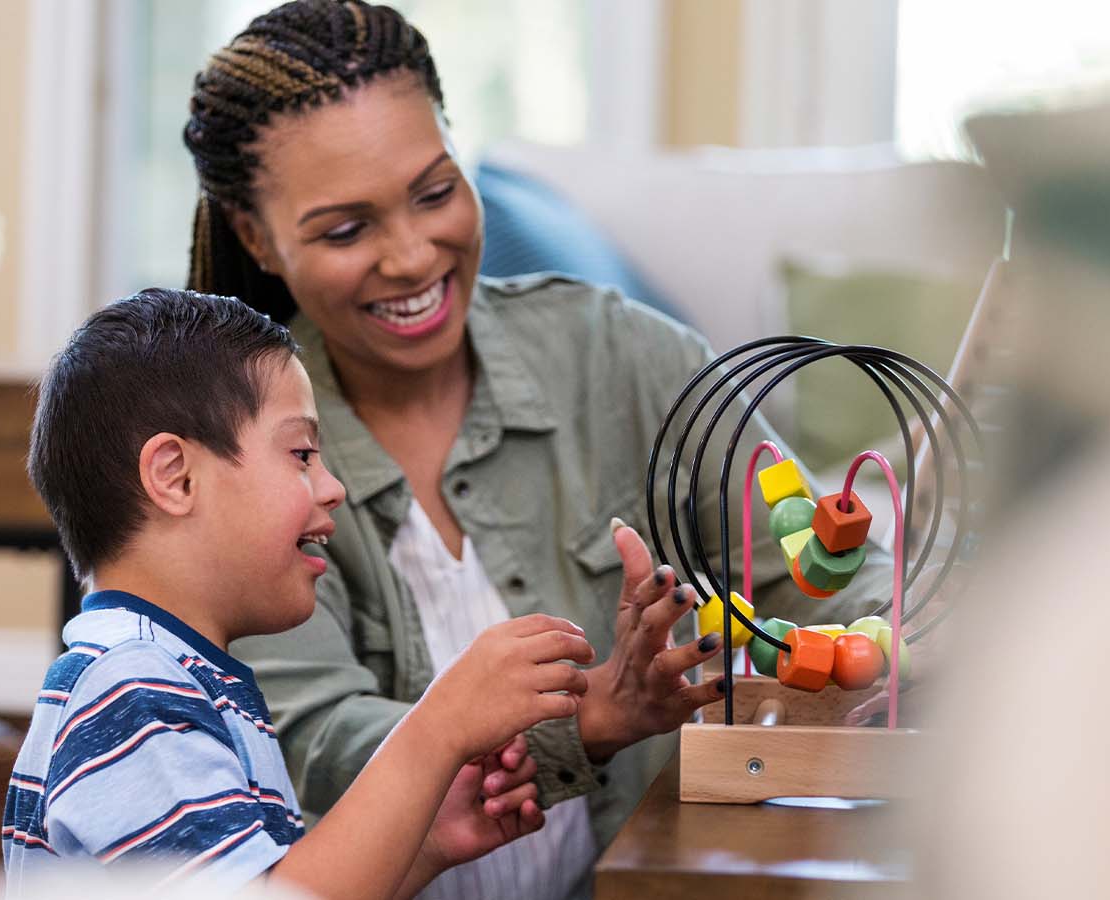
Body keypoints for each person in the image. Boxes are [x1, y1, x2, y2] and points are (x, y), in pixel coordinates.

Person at [183, 3, 888, 897]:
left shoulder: (626, 356)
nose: (411, 256)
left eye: (435, 192)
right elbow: (314, 737)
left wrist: (898, 635)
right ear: (256, 237)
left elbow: (818, 576)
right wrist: (592, 714)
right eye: (346, 229)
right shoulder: (234, 457)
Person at [4, 288, 605, 899]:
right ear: (176, 476)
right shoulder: (130, 689)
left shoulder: (174, 679)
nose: (333, 487)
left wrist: (422, 848)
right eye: (302, 455)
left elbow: (281, 889)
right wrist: (437, 728)